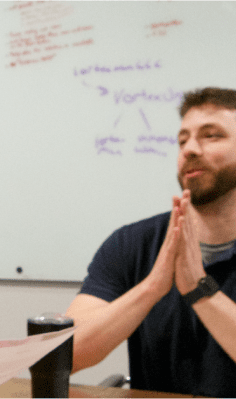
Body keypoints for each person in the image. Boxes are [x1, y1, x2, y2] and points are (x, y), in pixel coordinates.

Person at [66, 87, 236, 397]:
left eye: (211, 136)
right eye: (182, 140)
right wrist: (151, 288)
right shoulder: (132, 243)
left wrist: (200, 289)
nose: (190, 149)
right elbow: (66, 356)